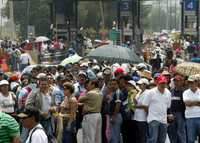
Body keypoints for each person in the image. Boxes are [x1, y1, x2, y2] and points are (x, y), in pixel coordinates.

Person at [26, 74, 56, 141]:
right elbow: (28, 105)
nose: (44, 86)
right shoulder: (34, 92)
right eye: (42, 84)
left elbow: (54, 105)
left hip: (48, 119)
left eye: (45, 84)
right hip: (37, 119)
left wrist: (54, 108)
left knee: (48, 137)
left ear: (48, 84)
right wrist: (40, 112)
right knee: (37, 137)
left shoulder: (51, 93)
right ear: (39, 85)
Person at [143, 75, 171, 143]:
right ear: (157, 83)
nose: (163, 84)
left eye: (164, 83)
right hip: (153, 119)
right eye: (161, 83)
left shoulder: (168, 93)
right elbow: (145, 105)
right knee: (153, 139)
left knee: (162, 140)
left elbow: (168, 106)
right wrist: (150, 114)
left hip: (163, 120)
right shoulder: (151, 92)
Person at [168, 75, 186, 143]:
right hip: (172, 113)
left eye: (178, 81)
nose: (176, 82)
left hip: (180, 113)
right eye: (175, 81)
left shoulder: (184, 91)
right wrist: (169, 113)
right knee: (172, 131)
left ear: (182, 82)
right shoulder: (171, 91)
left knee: (181, 131)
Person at [183, 75, 200, 143]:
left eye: (192, 82)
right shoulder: (185, 92)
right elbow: (187, 103)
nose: (190, 84)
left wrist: (191, 103)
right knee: (190, 139)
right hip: (190, 118)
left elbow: (189, 103)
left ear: (197, 83)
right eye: (189, 82)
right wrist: (198, 103)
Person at [134, 78, 149, 143]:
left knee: (143, 136)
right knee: (138, 135)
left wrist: (136, 106)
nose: (139, 85)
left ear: (145, 85)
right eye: (139, 84)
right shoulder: (139, 92)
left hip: (143, 118)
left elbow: (145, 105)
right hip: (137, 117)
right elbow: (137, 103)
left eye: (141, 84)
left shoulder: (147, 93)